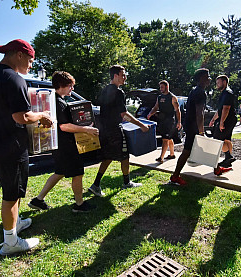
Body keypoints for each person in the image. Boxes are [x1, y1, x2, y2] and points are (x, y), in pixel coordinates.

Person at [0, 39, 53, 255]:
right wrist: (43, 115)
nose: (30, 65)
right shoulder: (14, 79)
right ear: (19, 54)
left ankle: (15, 223)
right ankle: (10, 242)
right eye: (30, 60)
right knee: (11, 194)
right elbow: (23, 116)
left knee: (11, 188)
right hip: (9, 146)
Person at [28, 71, 99, 212]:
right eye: (70, 86)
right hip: (65, 145)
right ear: (61, 85)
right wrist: (85, 129)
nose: (72, 89)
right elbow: (64, 126)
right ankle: (79, 205)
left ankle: (38, 200)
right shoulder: (59, 102)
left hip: (58, 144)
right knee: (78, 173)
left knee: (60, 171)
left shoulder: (55, 99)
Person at [88, 65, 149, 197]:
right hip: (114, 130)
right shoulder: (118, 92)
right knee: (125, 155)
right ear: (115, 76)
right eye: (123, 74)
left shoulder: (105, 90)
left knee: (108, 156)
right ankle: (126, 182)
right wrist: (141, 125)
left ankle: (96, 185)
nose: (125, 77)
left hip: (104, 129)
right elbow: (124, 114)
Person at [169, 68, 211, 186]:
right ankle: (175, 176)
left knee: (199, 149)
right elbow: (199, 113)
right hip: (193, 128)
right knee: (186, 151)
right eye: (207, 76)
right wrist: (201, 131)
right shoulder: (200, 92)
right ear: (202, 78)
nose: (209, 79)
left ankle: (216, 168)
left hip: (190, 126)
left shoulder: (194, 90)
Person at [147, 80, 182, 163]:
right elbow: (156, 107)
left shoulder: (172, 97)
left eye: (162, 87)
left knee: (165, 139)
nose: (161, 89)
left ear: (167, 87)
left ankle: (161, 157)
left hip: (170, 121)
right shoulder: (159, 97)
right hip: (162, 120)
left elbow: (177, 110)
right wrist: (150, 114)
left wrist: (179, 122)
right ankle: (172, 154)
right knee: (169, 138)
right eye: (160, 87)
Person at [209, 75, 237, 176]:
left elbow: (226, 108)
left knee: (218, 140)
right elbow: (220, 110)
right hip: (229, 119)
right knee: (226, 140)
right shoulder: (225, 93)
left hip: (227, 120)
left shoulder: (227, 93)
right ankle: (228, 158)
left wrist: (221, 122)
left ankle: (228, 157)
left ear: (224, 82)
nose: (217, 85)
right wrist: (213, 119)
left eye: (218, 83)